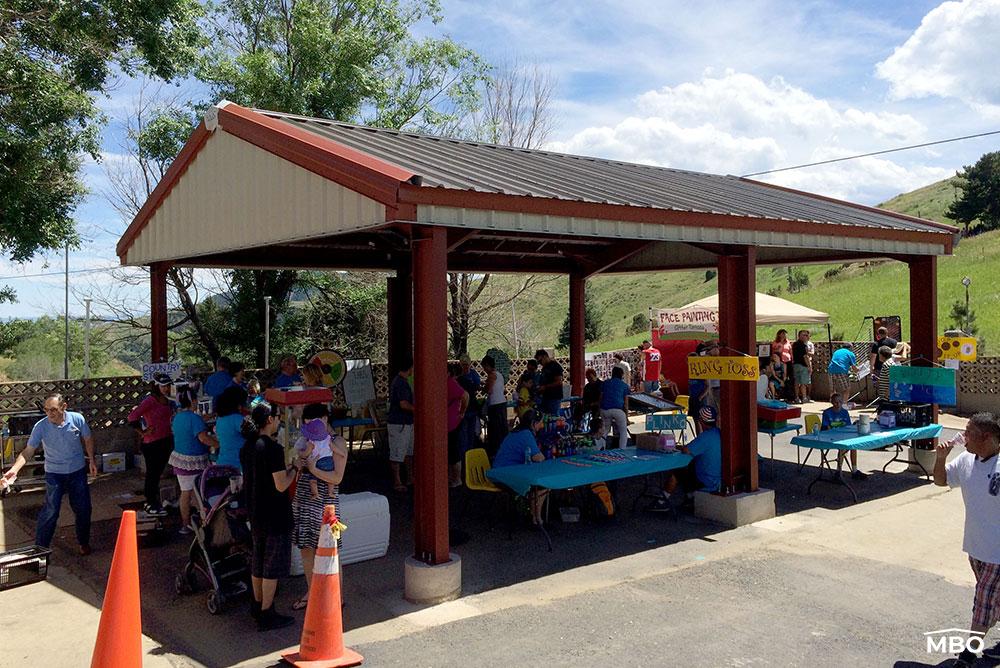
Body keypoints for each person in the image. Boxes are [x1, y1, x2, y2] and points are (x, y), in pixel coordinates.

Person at [933, 413, 1000, 667]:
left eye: (968, 432)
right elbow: (941, 480)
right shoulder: (965, 460)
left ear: (986, 437)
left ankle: (968, 655)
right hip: (975, 547)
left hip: (997, 553)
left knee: (983, 603)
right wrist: (940, 458)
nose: (962, 437)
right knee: (995, 600)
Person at [2, 394, 95, 554]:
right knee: (51, 511)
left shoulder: (77, 419)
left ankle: (83, 542)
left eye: (53, 410)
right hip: (54, 475)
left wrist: (92, 460)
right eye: (46, 410)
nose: (49, 414)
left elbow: (87, 438)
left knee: (83, 509)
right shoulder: (41, 426)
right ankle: (40, 550)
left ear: (63, 407)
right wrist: (14, 470)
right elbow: (28, 451)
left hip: (77, 472)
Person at [239, 401, 297, 631]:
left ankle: (257, 604)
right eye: (277, 417)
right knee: (272, 566)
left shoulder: (247, 447)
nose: (279, 420)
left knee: (258, 561)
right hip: (276, 513)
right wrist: (295, 468)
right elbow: (281, 484)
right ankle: (267, 612)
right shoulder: (273, 449)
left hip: (255, 511)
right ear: (270, 420)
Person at [291, 403, 348, 611]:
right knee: (306, 546)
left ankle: (337, 596)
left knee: (331, 548)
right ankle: (312, 591)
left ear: (325, 419)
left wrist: (313, 469)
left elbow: (337, 477)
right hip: (305, 496)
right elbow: (299, 459)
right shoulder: (307, 440)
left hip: (327, 502)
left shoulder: (338, 441)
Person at [650, 406, 721, 512]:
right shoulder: (718, 433)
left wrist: (676, 446)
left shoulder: (705, 437)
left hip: (708, 480)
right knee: (689, 468)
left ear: (701, 421)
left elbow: (686, 450)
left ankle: (662, 501)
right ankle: (690, 497)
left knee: (678, 471)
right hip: (718, 478)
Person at [168, 392, 218, 533]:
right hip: (194, 460)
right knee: (195, 492)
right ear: (193, 401)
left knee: (186, 492)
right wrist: (218, 444)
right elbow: (203, 438)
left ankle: (186, 523)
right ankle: (198, 522)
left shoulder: (177, 417)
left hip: (180, 459)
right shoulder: (195, 419)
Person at [127, 373, 175, 517]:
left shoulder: (168, 400)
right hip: (152, 443)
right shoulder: (150, 400)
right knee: (152, 474)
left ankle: (155, 500)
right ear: (156, 386)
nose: (166, 388)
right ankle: (150, 501)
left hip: (166, 440)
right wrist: (143, 432)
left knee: (158, 473)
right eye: (163, 386)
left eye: (167, 386)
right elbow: (132, 417)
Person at [492, 409, 548, 524]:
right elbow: (538, 457)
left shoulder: (516, 432)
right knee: (543, 486)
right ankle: (536, 519)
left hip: (498, 471)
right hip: (504, 475)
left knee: (536, 483)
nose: (542, 426)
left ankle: (531, 514)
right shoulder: (526, 435)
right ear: (533, 423)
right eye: (540, 423)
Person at [821, 393, 866, 480]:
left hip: (843, 435)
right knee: (842, 447)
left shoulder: (845, 412)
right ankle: (839, 470)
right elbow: (825, 428)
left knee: (853, 445)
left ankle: (854, 470)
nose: (837, 404)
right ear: (832, 402)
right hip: (830, 436)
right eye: (835, 402)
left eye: (839, 402)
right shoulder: (827, 413)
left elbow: (848, 426)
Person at [387, 356, 414, 493]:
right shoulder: (401, 383)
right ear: (410, 368)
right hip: (399, 422)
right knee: (397, 452)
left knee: (408, 452)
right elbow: (404, 404)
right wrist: (419, 410)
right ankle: (397, 481)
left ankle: (410, 477)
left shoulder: (399, 381)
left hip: (405, 422)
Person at [296, 418, 335, 501]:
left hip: (317, 462)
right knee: (331, 480)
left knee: (313, 480)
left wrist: (300, 453)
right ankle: (331, 491)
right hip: (329, 461)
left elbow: (306, 453)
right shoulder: (328, 438)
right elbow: (333, 447)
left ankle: (315, 493)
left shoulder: (312, 442)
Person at [215, 385, 249, 471]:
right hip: (237, 466)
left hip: (222, 463)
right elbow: (255, 434)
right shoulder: (237, 419)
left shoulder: (221, 418)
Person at [446, 364, 469, 486]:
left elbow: (465, 395)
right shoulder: (449, 383)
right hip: (448, 423)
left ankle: (457, 479)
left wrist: (462, 412)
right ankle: (451, 478)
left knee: (454, 453)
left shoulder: (451, 384)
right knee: (450, 453)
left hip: (453, 423)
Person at [481, 355, 508, 459]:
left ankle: (495, 452)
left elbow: (489, 390)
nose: (484, 370)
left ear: (488, 365)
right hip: (502, 402)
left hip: (495, 404)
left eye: (484, 367)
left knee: (495, 429)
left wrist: (483, 387)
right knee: (502, 427)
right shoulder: (499, 375)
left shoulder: (492, 375)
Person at [456, 354, 482, 455]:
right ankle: (464, 454)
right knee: (463, 433)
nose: (465, 367)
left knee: (471, 432)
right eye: (463, 364)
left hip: (472, 407)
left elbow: (477, 386)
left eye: (467, 364)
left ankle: (470, 452)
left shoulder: (474, 374)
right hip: (462, 409)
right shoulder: (458, 376)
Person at [599, 366, 630, 450]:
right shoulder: (624, 386)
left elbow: (601, 397)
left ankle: (601, 447)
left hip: (604, 409)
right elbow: (626, 404)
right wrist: (626, 417)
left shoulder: (605, 383)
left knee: (605, 430)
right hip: (618, 410)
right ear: (621, 375)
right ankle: (622, 449)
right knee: (623, 431)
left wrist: (599, 409)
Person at [535, 349, 565, 416]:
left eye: (540, 361)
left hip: (554, 397)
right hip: (545, 397)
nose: (540, 363)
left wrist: (545, 387)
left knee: (553, 418)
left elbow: (559, 382)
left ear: (545, 356)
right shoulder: (544, 368)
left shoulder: (555, 366)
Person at [791, 329, 812, 404]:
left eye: (807, 335)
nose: (806, 337)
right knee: (803, 382)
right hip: (803, 365)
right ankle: (804, 397)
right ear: (799, 336)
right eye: (804, 335)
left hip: (795, 365)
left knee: (796, 382)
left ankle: (797, 397)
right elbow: (805, 356)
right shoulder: (803, 345)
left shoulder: (794, 344)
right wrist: (809, 366)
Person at [771, 329, 793, 400]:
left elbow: (790, 352)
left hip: (787, 361)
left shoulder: (788, 342)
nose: (784, 335)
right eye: (783, 333)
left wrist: (793, 360)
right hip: (779, 360)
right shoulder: (775, 342)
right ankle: (780, 394)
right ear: (779, 334)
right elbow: (773, 351)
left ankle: (789, 395)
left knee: (788, 378)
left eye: (785, 334)